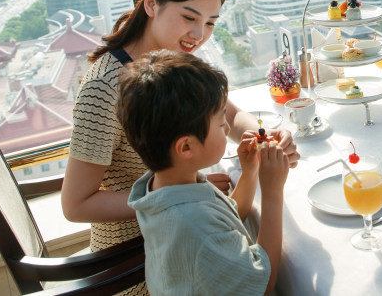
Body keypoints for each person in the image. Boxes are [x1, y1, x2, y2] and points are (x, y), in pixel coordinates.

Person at [61, 0, 299, 291]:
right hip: (138, 257)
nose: (199, 34)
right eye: (189, 17)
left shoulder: (170, 55)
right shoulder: (103, 88)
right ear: (151, 3)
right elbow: (75, 204)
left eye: (211, 23)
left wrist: (264, 136)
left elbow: (229, 115)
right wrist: (176, 196)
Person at [120, 50, 288, 296]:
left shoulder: (167, 187)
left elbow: (229, 216)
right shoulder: (193, 224)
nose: (228, 127)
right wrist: (273, 193)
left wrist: (250, 171)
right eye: (221, 124)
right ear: (186, 147)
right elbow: (262, 281)